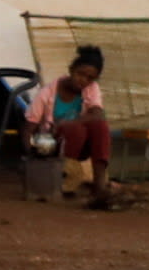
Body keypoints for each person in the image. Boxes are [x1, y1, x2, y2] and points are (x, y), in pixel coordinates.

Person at [27, 43, 117, 208]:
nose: (83, 80)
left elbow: (97, 113)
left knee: (100, 125)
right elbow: (29, 126)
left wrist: (70, 122)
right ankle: (67, 177)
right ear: (71, 69)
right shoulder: (47, 93)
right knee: (76, 129)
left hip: (82, 145)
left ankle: (99, 185)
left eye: (90, 78)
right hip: (55, 147)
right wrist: (30, 155)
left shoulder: (91, 89)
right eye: (80, 74)